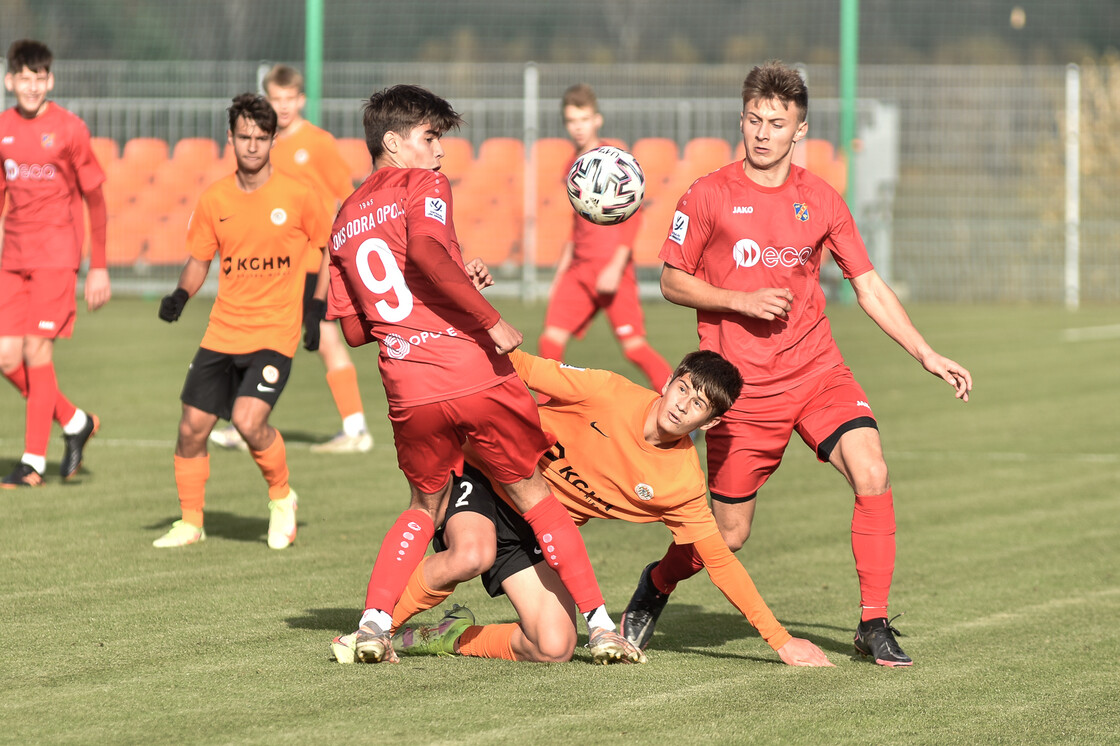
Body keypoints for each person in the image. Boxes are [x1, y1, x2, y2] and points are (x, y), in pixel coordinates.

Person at [621, 61, 974, 668]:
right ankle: (657, 584)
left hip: (817, 374)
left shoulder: (821, 199)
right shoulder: (708, 194)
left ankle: (873, 622)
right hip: (741, 393)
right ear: (742, 120)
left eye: (776, 123)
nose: (762, 133)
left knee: (872, 470)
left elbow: (867, 284)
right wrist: (738, 299)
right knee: (729, 535)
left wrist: (926, 352)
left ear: (799, 130)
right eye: (754, 120)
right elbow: (672, 280)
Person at [325, 84, 641, 664]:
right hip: (472, 370)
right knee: (534, 494)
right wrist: (487, 318)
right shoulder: (423, 183)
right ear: (392, 143)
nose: (440, 152)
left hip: (408, 386)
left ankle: (373, 624)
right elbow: (423, 252)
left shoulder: (344, 219)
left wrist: (444, 287)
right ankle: (601, 626)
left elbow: (352, 330)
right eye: (430, 137)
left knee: (425, 507)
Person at [331, 350, 833, 668]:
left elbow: (720, 561)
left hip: (541, 530)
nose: (683, 405)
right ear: (670, 380)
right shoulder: (607, 391)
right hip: (488, 478)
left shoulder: (681, 483)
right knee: (471, 553)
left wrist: (781, 641)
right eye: (683, 388)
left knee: (553, 646)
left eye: (699, 404)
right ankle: (374, 632)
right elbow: (519, 366)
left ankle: (449, 634)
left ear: (712, 421)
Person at [152, 93, 330, 550]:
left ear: (272, 140)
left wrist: (316, 307)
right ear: (230, 138)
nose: (252, 145)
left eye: (261, 137)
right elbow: (199, 260)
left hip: (275, 332)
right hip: (223, 330)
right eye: (244, 136)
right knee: (191, 427)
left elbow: (330, 249)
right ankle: (191, 522)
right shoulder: (215, 199)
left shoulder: (298, 194)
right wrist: (180, 294)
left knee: (250, 422)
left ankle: (281, 498)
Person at [209, 63, 372, 454]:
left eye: (288, 99)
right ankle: (245, 422)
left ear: (300, 99)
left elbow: (344, 199)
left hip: (312, 261)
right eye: (275, 99)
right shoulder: (264, 141)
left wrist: (334, 252)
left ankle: (356, 429)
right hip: (273, 262)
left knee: (326, 338)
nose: (282, 107)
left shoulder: (317, 142)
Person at [0, 39, 107, 488]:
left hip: (57, 256)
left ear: (51, 81)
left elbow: (96, 200)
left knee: (35, 350)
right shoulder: (2, 127)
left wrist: (98, 265)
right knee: (7, 358)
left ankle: (32, 463)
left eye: (39, 77)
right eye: (23, 77)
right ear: (10, 81)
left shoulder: (69, 129)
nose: (31, 85)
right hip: (13, 256)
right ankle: (75, 420)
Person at [538, 84, 672, 389]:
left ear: (597, 119)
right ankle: (552, 417)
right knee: (549, 344)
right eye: (572, 121)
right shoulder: (571, 165)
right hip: (579, 271)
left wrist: (615, 266)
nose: (578, 127)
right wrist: (561, 272)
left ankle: (683, 410)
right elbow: (578, 224)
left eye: (583, 119)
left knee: (635, 348)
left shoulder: (615, 161)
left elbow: (635, 216)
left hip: (613, 270)